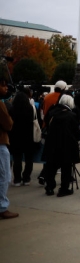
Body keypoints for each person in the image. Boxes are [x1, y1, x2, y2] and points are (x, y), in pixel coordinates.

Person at [42, 95, 79, 197]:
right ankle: (63, 189)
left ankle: (49, 187)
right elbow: (76, 132)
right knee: (66, 167)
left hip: (52, 143)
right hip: (67, 144)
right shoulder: (71, 115)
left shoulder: (52, 112)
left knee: (51, 166)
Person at [8, 89, 36, 186]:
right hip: (29, 136)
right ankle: (26, 178)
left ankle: (17, 179)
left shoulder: (12, 109)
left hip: (15, 136)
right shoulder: (31, 108)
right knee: (29, 159)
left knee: (17, 158)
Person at [0, 74, 18, 219]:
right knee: (4, 176)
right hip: (1, 142)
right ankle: (2, 207)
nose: (6, 88)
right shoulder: (1, 104)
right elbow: (8, 124)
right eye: (3, 85)